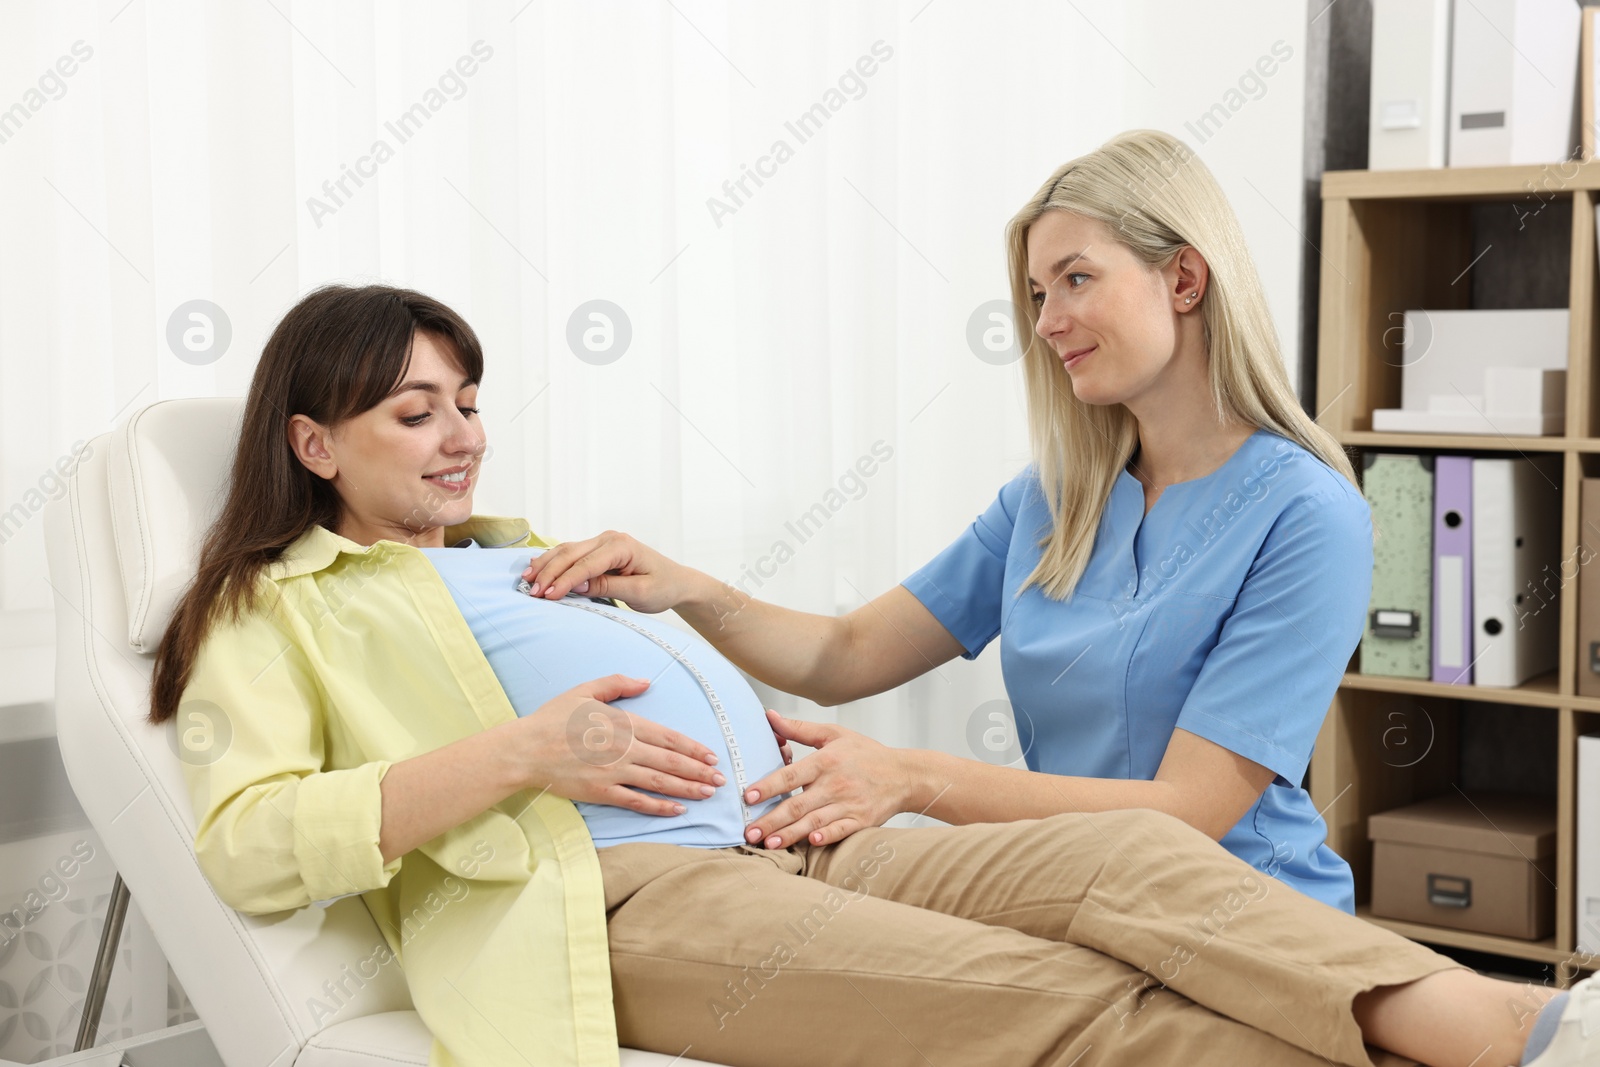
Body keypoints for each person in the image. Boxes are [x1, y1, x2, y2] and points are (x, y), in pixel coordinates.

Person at [147, 302, 1592, 1062]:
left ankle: (1512, 1029)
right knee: (1048, 991)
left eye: (469, 400)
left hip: (809, 830)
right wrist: (527, 754)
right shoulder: (280, 607)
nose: (461, 435)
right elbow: (256, 839)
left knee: (1134, 860)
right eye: (416, 410)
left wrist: (714, 670)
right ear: (316, 443)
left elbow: (831, 651)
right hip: (638, 899)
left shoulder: (524, 553)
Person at [524, 127, 1364, 915]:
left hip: (1251, 914)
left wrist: (908, 777)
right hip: (1086, 898)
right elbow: (843, 653)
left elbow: (1188, 811)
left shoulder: (1306, 514)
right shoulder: (1054, 499)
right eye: (1038, 294)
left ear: (1183, 279)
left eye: (1076, 278)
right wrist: (686, 588)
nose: (1045, 322)